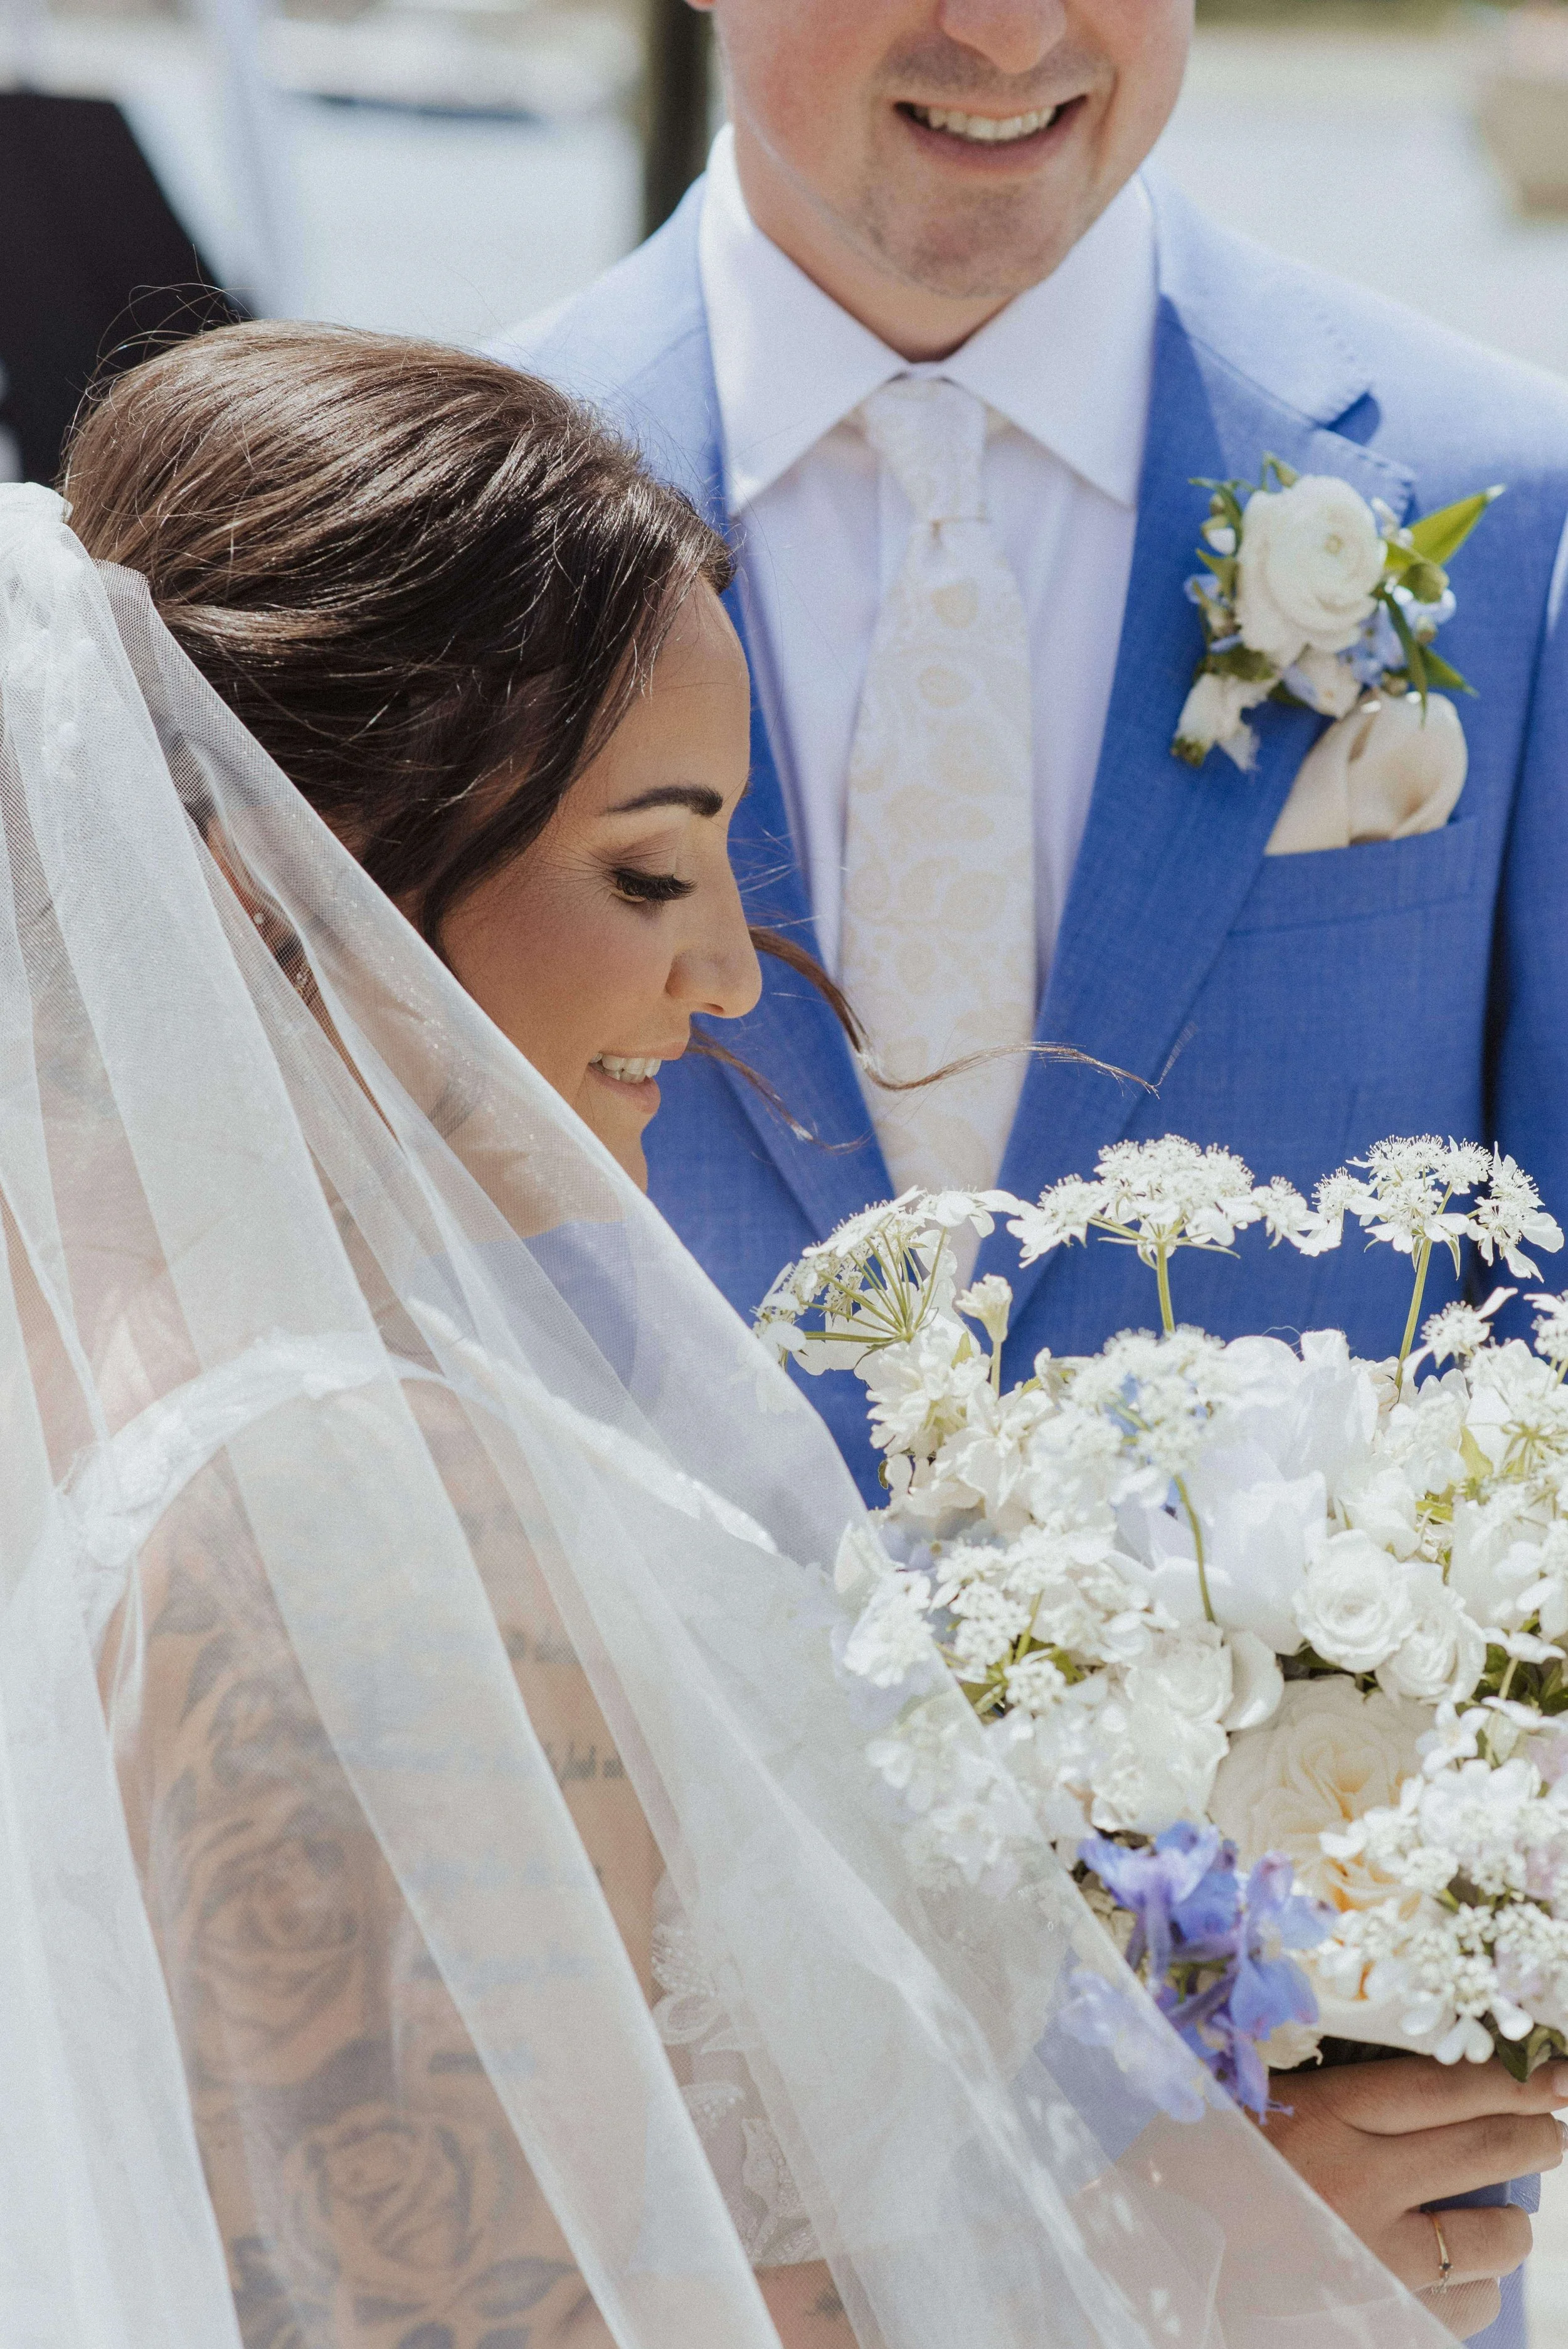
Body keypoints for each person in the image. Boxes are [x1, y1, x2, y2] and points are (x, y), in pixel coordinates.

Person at [0, 322, 1551, 2349]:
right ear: (274, 876)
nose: (730, 971)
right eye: (649, 866)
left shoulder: (147, 1402)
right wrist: (1190, 2257)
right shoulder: (338, 1519)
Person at [489, 13, 1568, 2336]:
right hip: (651, 2166)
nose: (1004, 30)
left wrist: (1480, 2033)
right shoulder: (440, 537)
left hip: (1315, 2190)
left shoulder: (1507, 504)